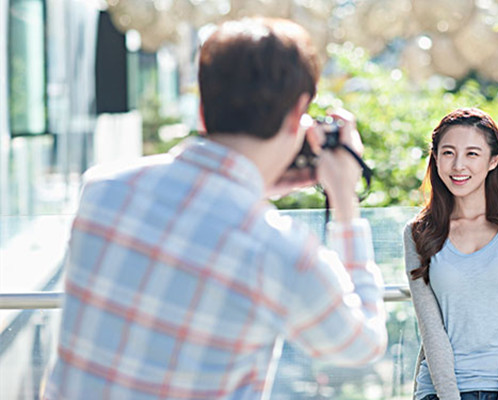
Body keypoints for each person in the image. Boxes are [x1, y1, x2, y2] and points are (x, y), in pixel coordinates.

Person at [43, 17, 387, 399]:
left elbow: (190, 238)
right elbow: (364, 344)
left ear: (203, 109)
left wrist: (256, 189)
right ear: (297, 114)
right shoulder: (282, 254)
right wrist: (345, 203)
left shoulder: (103, 188)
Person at [403, 108, 498, 400]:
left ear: (493, 160)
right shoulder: (419, 233)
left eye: (472, 154)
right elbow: (431, 329)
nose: (458, 165)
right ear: (435, 158)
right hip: (441, 393)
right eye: (448, 153)